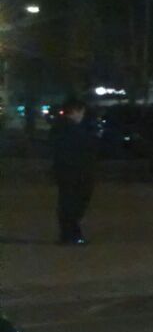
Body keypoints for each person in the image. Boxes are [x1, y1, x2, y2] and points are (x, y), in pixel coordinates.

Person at [51, 98, 96, 245]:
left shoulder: (61, 127)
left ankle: (70, 234)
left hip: (68, 171)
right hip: (75, 171)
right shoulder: (72, 129)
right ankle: (71, 234)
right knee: (73, 203)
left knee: (69, 202)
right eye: (81, 112)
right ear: (76, 111)